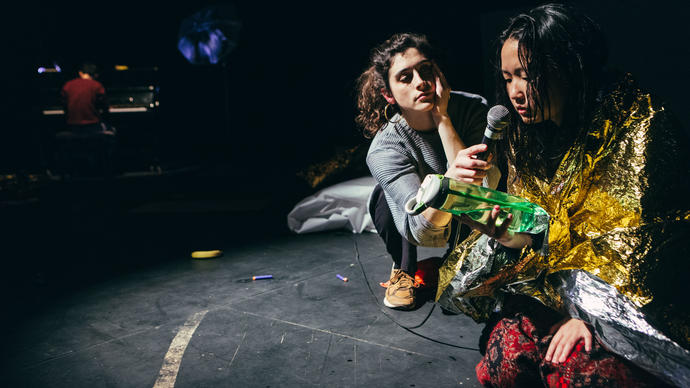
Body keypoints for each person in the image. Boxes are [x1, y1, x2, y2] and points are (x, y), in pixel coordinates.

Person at [436, 3, 690, 387]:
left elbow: (639, 249)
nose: (515, 92)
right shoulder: (529, 137)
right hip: (552, 292)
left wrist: (590, 318)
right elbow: (540, 230)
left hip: (626, 306)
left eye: (526, 75)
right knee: (507, 355)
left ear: (568, 68)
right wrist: (499, 228)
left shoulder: (640, 126)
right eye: (507, 78)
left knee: (582, 372)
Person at [356, 33, 497, 310]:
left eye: (426, 70)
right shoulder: (384, 148)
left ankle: (456, 260)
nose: (421, 82)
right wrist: (449, 182)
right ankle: (404, 269)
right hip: (424, 219)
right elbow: (421, 231)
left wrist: (443, 119)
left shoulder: (472, 109)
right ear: (388, 95)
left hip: (471, 212)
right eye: (405, 77)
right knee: (384, 199)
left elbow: (482, 194)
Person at [57, 62, 115, 176]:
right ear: (96, 75)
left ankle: (70, 169)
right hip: (92, 127)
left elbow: (64, 106)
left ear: (80, 73)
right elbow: (104, 107)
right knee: (112, 131)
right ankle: (105, 170)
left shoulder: (68, 85)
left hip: (73, 128)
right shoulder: (97, 85)